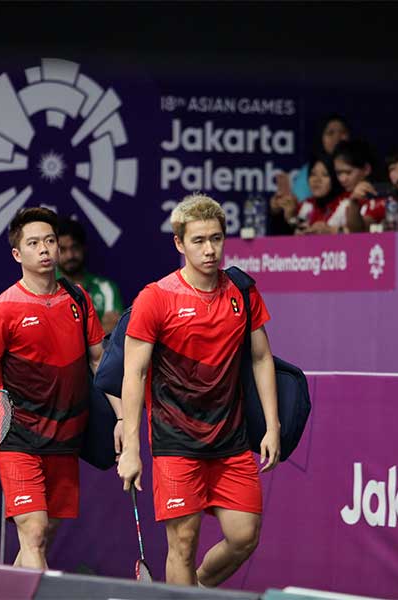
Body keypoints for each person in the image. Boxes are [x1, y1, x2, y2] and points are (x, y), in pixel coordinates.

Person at [0, 207, 122, 569]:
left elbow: (100, 362)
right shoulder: (1, 311)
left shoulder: (79, 300)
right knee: (34, 532)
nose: (45, 249)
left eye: (50, 241)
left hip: (66, 437)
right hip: (18, 436)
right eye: (34, 243)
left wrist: (122, 420)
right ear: (17, 254)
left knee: (43, 536)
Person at [117, 194, 281, 587]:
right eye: (199, 241)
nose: (210, 250)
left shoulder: (242, 292)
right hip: (176, 441)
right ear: (179, 244)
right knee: (183, 543)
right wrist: (133, 450)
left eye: (217, 239)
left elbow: (261, 358)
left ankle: (201, 588)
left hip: (231, 438)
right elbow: (134, 372)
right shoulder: (155, 299)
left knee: (244, 536)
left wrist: (272, 425)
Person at [270, 115, 351, 234]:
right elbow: (293, 238)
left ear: (336, 178)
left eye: (324, 175)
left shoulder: (348, 204)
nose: (316, 180)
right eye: (312, 174)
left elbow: (361, 234)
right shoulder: (307, 205)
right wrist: (287, 215)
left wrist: (332, 232)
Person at [56, 217, 124, 334]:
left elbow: (113, 334)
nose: (70, 255)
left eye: (75, 247)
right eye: (63, 250)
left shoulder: (106, 287)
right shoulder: (46, 287)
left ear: (83, 248)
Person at [330, 139, 380, 233]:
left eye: (348, 172)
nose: (342, 179)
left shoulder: (378, 198)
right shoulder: (338, 199)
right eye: (338, 173)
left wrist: (353, 202)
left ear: (366, 169)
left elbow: (359, 231)